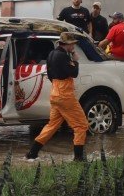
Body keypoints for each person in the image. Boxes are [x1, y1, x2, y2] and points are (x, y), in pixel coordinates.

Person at [25, 32, 89, 162]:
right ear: (67, 44)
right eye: (72, 44)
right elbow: (74, 73)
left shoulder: (52, 54)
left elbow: (50, 74)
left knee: (52, 125)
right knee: (81, 125)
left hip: (55, 92)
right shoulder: (63, 56)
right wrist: (75, 61)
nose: (74, 47)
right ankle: (78, 158)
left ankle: (32, 153)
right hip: (65, 95)